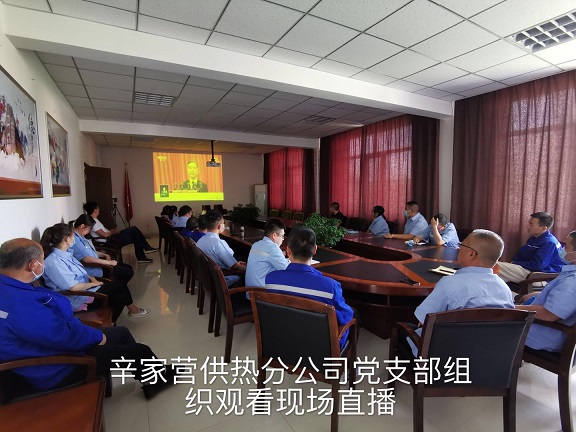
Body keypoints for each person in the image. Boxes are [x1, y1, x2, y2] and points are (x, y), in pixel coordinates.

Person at [0, 238, 174, 400]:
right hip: (55, 366)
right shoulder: (17, 304)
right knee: (139, 351)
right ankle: (156, 378)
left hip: (52, 347)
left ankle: (150, 375)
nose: (44, 263)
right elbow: (62, 336)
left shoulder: (9, 287)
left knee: (121, 333)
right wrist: (97, 337)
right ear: (33, 264)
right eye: (42, 259)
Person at [409, 229, 514, 356]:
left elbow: (423, 320)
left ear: (471, 254)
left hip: (447, 354)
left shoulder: (449, 284)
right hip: (488, 355)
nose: (458, 248)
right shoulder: (505, 289)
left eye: (461, 245)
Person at [264, 226, 354, 348]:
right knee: (353, 315)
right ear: (315, 249)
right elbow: (346, 316)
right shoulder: (330, 287)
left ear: (288, 251)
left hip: (283, 341)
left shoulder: (271, 280)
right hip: (320, 347)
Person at [40, 223, 149, 322]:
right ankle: (128, 313)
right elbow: (74, 287)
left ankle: (120, 316)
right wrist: (94, 284)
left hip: (86, 289)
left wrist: (91, 279)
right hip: (77, 298)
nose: (74, 239)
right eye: (73, 236)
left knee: (120, 288)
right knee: (119, 288)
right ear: (67, 239)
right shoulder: (53, 261)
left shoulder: (66, 253)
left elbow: (79, 272)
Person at [516, 231, 576, 352]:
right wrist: (539, 295)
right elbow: (565, 300)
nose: (562, 249)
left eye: (566, 246)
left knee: (488, 323)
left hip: (543, 335)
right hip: (547, 330)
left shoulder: (572, 281)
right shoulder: (570, 275)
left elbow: (549, 315)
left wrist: (511, 309)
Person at [497, 212, 563, 284]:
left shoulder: (549, 242)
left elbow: (537, 266)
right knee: (497, 275)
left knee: (494, 265)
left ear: (544, 228)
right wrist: (513, 263)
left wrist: (514, 263)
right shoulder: (533, 238)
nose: (528, 227)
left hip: (539, 275)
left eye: (531, 225)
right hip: (527, 270)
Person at [83, 201, 158, 264]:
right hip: (109, 241)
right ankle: (145, 249)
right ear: (95, 210)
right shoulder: (93, 222)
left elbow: (105, 232)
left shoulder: (95, 220)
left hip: (111, 238)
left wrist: (112, 231)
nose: (99, 209)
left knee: (136, 236)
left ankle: (142, 256)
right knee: (133, 229)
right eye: (98, 208)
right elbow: (105, 235)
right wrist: (113, 232)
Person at [70, 214, 134, 284]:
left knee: (128, 267)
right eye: (89, 229)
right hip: (96, 269)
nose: (89, 231)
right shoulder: (75, 240)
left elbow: (92, 251)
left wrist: (105, 255)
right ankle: (118, 286)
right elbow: (87, 259)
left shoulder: (81, 236)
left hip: (99, 264)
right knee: (128, 272)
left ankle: (119, 285)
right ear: (82, 226)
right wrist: (109, 263)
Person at [196, 210, 246, 287]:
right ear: (219, 226)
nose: (224, 225)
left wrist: (237, 264)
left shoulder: (200, 241)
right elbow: (235, 267)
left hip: (209, 278)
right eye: (223, 223)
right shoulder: (218, 243)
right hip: (222, 280)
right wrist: (244, 266)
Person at [246, 218, 289, 287]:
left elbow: (268, 257)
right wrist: (292, 260)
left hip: (249, 291)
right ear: (274, 235)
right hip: (262, 291)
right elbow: (287, 268)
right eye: (282, 236)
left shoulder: (255, 244)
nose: (283, 239)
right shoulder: (273, 247)